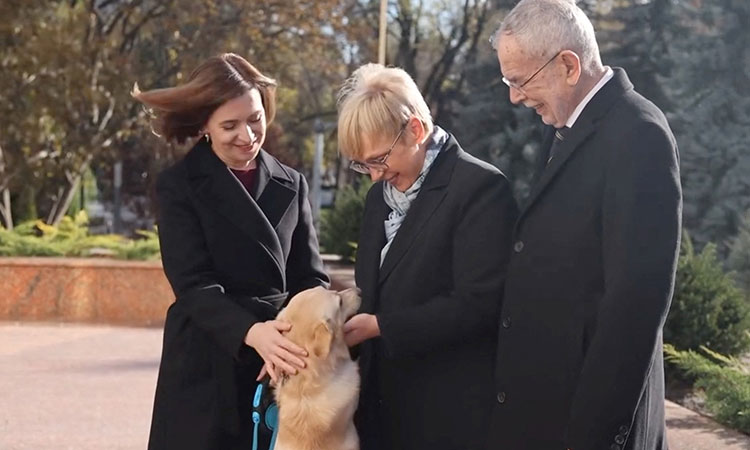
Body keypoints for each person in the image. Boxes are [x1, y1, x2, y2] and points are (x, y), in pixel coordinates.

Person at [486, 1, 682, 449]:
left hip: (584, 426)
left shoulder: (639, 134)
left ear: (569, 66)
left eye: (520, 81)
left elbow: (635, 307)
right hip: (545, 412)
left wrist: (593, 437)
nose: (514, 97)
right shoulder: (565, 123)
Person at [133, 53, 329, 450]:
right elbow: (193, 286)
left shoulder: (292, 183)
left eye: (255, 118)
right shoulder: (178, 185)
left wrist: (298, 340)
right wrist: (253, 333)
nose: (247, 135)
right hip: (207, 364)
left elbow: (311, 279)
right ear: (204, 124)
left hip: (280, 364)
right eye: (230, 125)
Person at [337, 63, 519, 450]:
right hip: (380, 412)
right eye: (363, 165)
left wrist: (383, 326)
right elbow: (376, 288)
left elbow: (481, 304)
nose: (373, 176)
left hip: (445, 415)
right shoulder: (378, 198)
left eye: (379, 159)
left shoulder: (480, 188)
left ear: (416, 130)